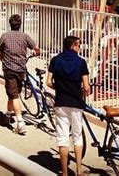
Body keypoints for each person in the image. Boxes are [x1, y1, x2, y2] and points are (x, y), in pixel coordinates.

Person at [47, 36, 90, 176]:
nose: (80, 47)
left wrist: (59, 88)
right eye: (79, 45)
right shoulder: (81, 62)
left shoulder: (55, 60)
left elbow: (48, 82)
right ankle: (79, 169)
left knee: (62, 138)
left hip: (60, 103)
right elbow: (87, 87)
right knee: (77, 136)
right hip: (76, 103)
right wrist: (83, 92)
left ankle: (64, 172)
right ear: (73, 46)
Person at [0, 14, 40, 134]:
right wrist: (34, 53)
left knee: (14, 95)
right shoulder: (25, 36)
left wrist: (5, 62)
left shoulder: (4, 36)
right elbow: (36, 49)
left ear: (10, 24)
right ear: (20, 24)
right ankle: (8, 114)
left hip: (9, 69)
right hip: (21, 69)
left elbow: (0, 54)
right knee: (13, 93)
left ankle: (20, 122)